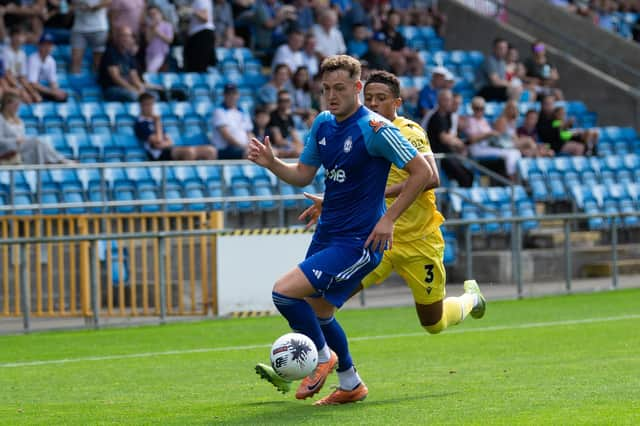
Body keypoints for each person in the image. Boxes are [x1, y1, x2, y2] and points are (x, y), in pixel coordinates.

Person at [251, 55, 430, 405]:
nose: (331, 96)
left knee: (284, 293)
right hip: (328, 233)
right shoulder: (322, 124)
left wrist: (388, 218)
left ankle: (322, 357)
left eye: (340, 88)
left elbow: (423, 173)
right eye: (326, 89)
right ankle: (350, 383)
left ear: (357, 88)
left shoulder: (376, 129)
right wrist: (273, 164)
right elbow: (303, 174)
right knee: (320, 312)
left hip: (359, 241)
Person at [298, 69, 486, 341]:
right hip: (376, 240)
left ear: (396, 103)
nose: (373, 103)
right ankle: (312, 361)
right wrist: (331, 201)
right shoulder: (361, 130)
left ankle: (471, 299)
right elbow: (353, 183)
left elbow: (431, 177)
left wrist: (380, 192)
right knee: (323, 301)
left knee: (432, 323)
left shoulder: (409, 131)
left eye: (381, 98)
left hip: (420, 239)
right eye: (369, 97)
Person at [134, 92, 217, 161]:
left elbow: (169, 141)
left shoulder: (154, 120)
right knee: (189, 152)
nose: (150, 108)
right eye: (147, 105)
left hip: (167, 149)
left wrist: (164, 143)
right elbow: (158, 141)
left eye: (151, 104)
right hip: (158, 155)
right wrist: (157, 122)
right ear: (141, 106)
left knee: (210, 150)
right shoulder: (141, 123)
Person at [0, 92, 71, 164]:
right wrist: (15, 140)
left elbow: (22, 135)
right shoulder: (1, 119)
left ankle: (54, 161)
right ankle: (60, 160)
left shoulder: (18, 119)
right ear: (7, 104)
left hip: (21, 148)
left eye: (18, 105)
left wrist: (21, 140)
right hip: (7, 148)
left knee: (39, 146)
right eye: (15, 105)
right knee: (36, 142)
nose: (17, 108)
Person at [427, 89, 473, 187]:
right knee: (464, 177)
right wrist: (460, 143)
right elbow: (444, 138)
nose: (448, 102)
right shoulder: (436, 116)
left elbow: (451, 135)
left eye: (449, 100)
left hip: (448, 153)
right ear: (439, 100)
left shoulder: (448, 116)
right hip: (438, 155)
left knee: (469, 174)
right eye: (446, 100)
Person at [210, 83, 254, 159]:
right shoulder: (219, 111)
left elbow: (249, 133)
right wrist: (244, 147)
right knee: (250, 154)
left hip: (242, 149)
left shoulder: (243, 111)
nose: (231, 96)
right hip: (225, 149)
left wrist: (251, 145)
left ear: (238, 95)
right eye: (228, 94)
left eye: (233, 93)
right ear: (224, 95)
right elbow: (226, 136)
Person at [69, 0, 111, 74]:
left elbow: (108, 2)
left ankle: (96, 83)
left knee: (98, 63)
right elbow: (71, 4)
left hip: (99, 28)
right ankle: (76, 81)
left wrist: (92, 7)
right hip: (79, 28)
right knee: (75, 61)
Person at [26, 32, 68, 102]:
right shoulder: (33, 59)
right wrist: (51, 92)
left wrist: (56, 91)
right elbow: (32, 83)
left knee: (63, 96)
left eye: (50, 45)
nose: (48, 47)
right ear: (39, 45)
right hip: (30, 88)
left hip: (43, 89)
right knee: (36, 98)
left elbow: (53, 81)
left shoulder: (51, 61)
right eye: (45, 44)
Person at [267, 89, 303, 158]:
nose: (285, 103)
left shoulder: (289, 117)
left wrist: (299, 145)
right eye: (282, 100)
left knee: (302, 151)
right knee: (297, 152)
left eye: (287, 100)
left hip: (286, 146)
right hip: (275, 147)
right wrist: (293, 145)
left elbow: (295, 136)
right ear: (278, 102)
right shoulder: (273, 116)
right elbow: (278, 140)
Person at [144, 5, 174, 73]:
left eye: (154, 13)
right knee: (151, 73)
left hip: (161, 53)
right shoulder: (149, 27)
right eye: (150, 14)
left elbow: (170, 40)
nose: (153, 16)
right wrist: (152, 29)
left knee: (150, 71)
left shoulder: (167, 25)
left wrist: (158, 33)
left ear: (160, 13)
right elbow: (148, 40)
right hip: (150, 53)